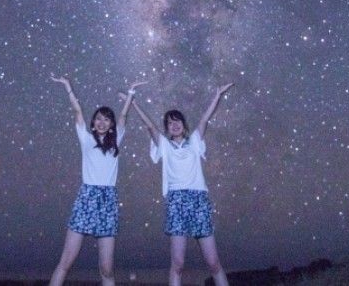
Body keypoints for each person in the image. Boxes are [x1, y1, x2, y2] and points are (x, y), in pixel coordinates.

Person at [126, 83, 234, 286]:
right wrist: (132, 100)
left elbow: (205, 119)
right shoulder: (165, 146)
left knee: (213, 262)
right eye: (169, 123)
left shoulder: (194, 141)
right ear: (166, 128)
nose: (174, 125)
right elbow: (149, 125)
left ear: (183, 125)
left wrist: (217, 94)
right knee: (178, 263)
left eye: (177, 121)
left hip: (198, 199)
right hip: (176, 201)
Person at [48, 74, 145, 286]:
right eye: (98, 118)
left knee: (107, 269)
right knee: (66, 261)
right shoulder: (86, 138)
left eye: (106, 119)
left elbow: (124, 115)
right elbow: (77, 110)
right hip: (87, 197)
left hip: (108, 199)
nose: (101, 122)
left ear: (111, 125)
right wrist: (68, 87)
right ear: (94, 122)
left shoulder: (116, 139)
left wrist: (130, 93)